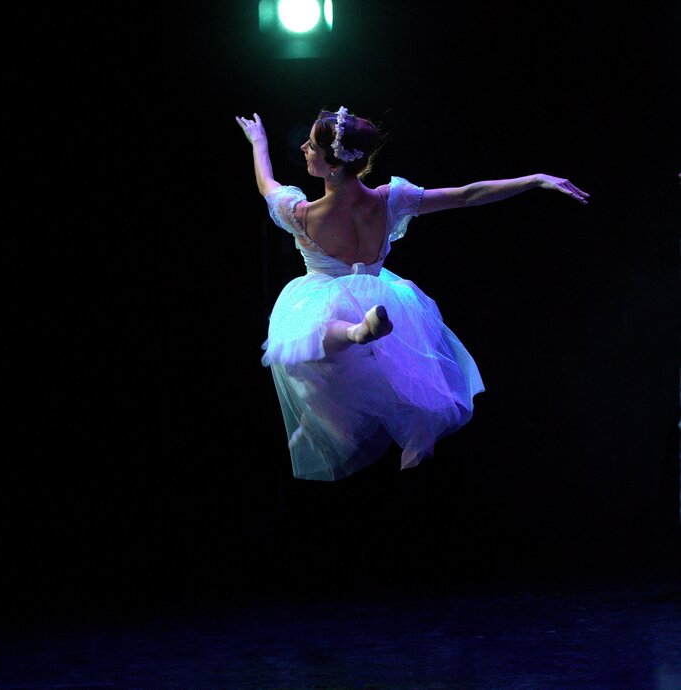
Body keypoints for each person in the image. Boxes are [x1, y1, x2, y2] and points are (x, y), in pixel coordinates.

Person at [236, 106, 589, 481]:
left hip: (325, 297)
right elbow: (466, 196)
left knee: (301, 347)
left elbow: (266, 184)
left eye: (311, 145)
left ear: (333, 165)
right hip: (381, 295)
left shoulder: (301, 214)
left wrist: (259, 143)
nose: (304, 148)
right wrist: (534, 179)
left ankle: (355, 334)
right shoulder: (390, 200)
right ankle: (383, 404)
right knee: (371, 376)